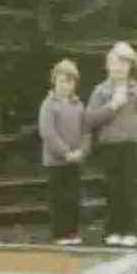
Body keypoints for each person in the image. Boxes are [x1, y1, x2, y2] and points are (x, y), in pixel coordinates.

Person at [85, 41, 137, 247]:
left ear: (131, 67)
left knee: (130, 189)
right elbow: (89, 120)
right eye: (116, 63)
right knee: (112, 189)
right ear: (108, 65)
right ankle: (113, 229)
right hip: (109, 146)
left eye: (125, 64)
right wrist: (112, 105)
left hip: (132, 146)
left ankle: (131, 230)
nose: (120, 68)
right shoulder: (100, 92)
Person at [38, 58, 90, 244]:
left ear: (75, 83)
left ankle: (73, 232)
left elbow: (86, 131)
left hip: (75, 161)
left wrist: (82, 151)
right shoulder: (48, 105)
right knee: (58, 199)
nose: (66, 86)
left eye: (70, 82)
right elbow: (48, 133)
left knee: (73, 198)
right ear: (54, 81)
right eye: (62, 81)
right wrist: (66, 152)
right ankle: (59, 233)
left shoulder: (79, 105)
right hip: (56, 161)